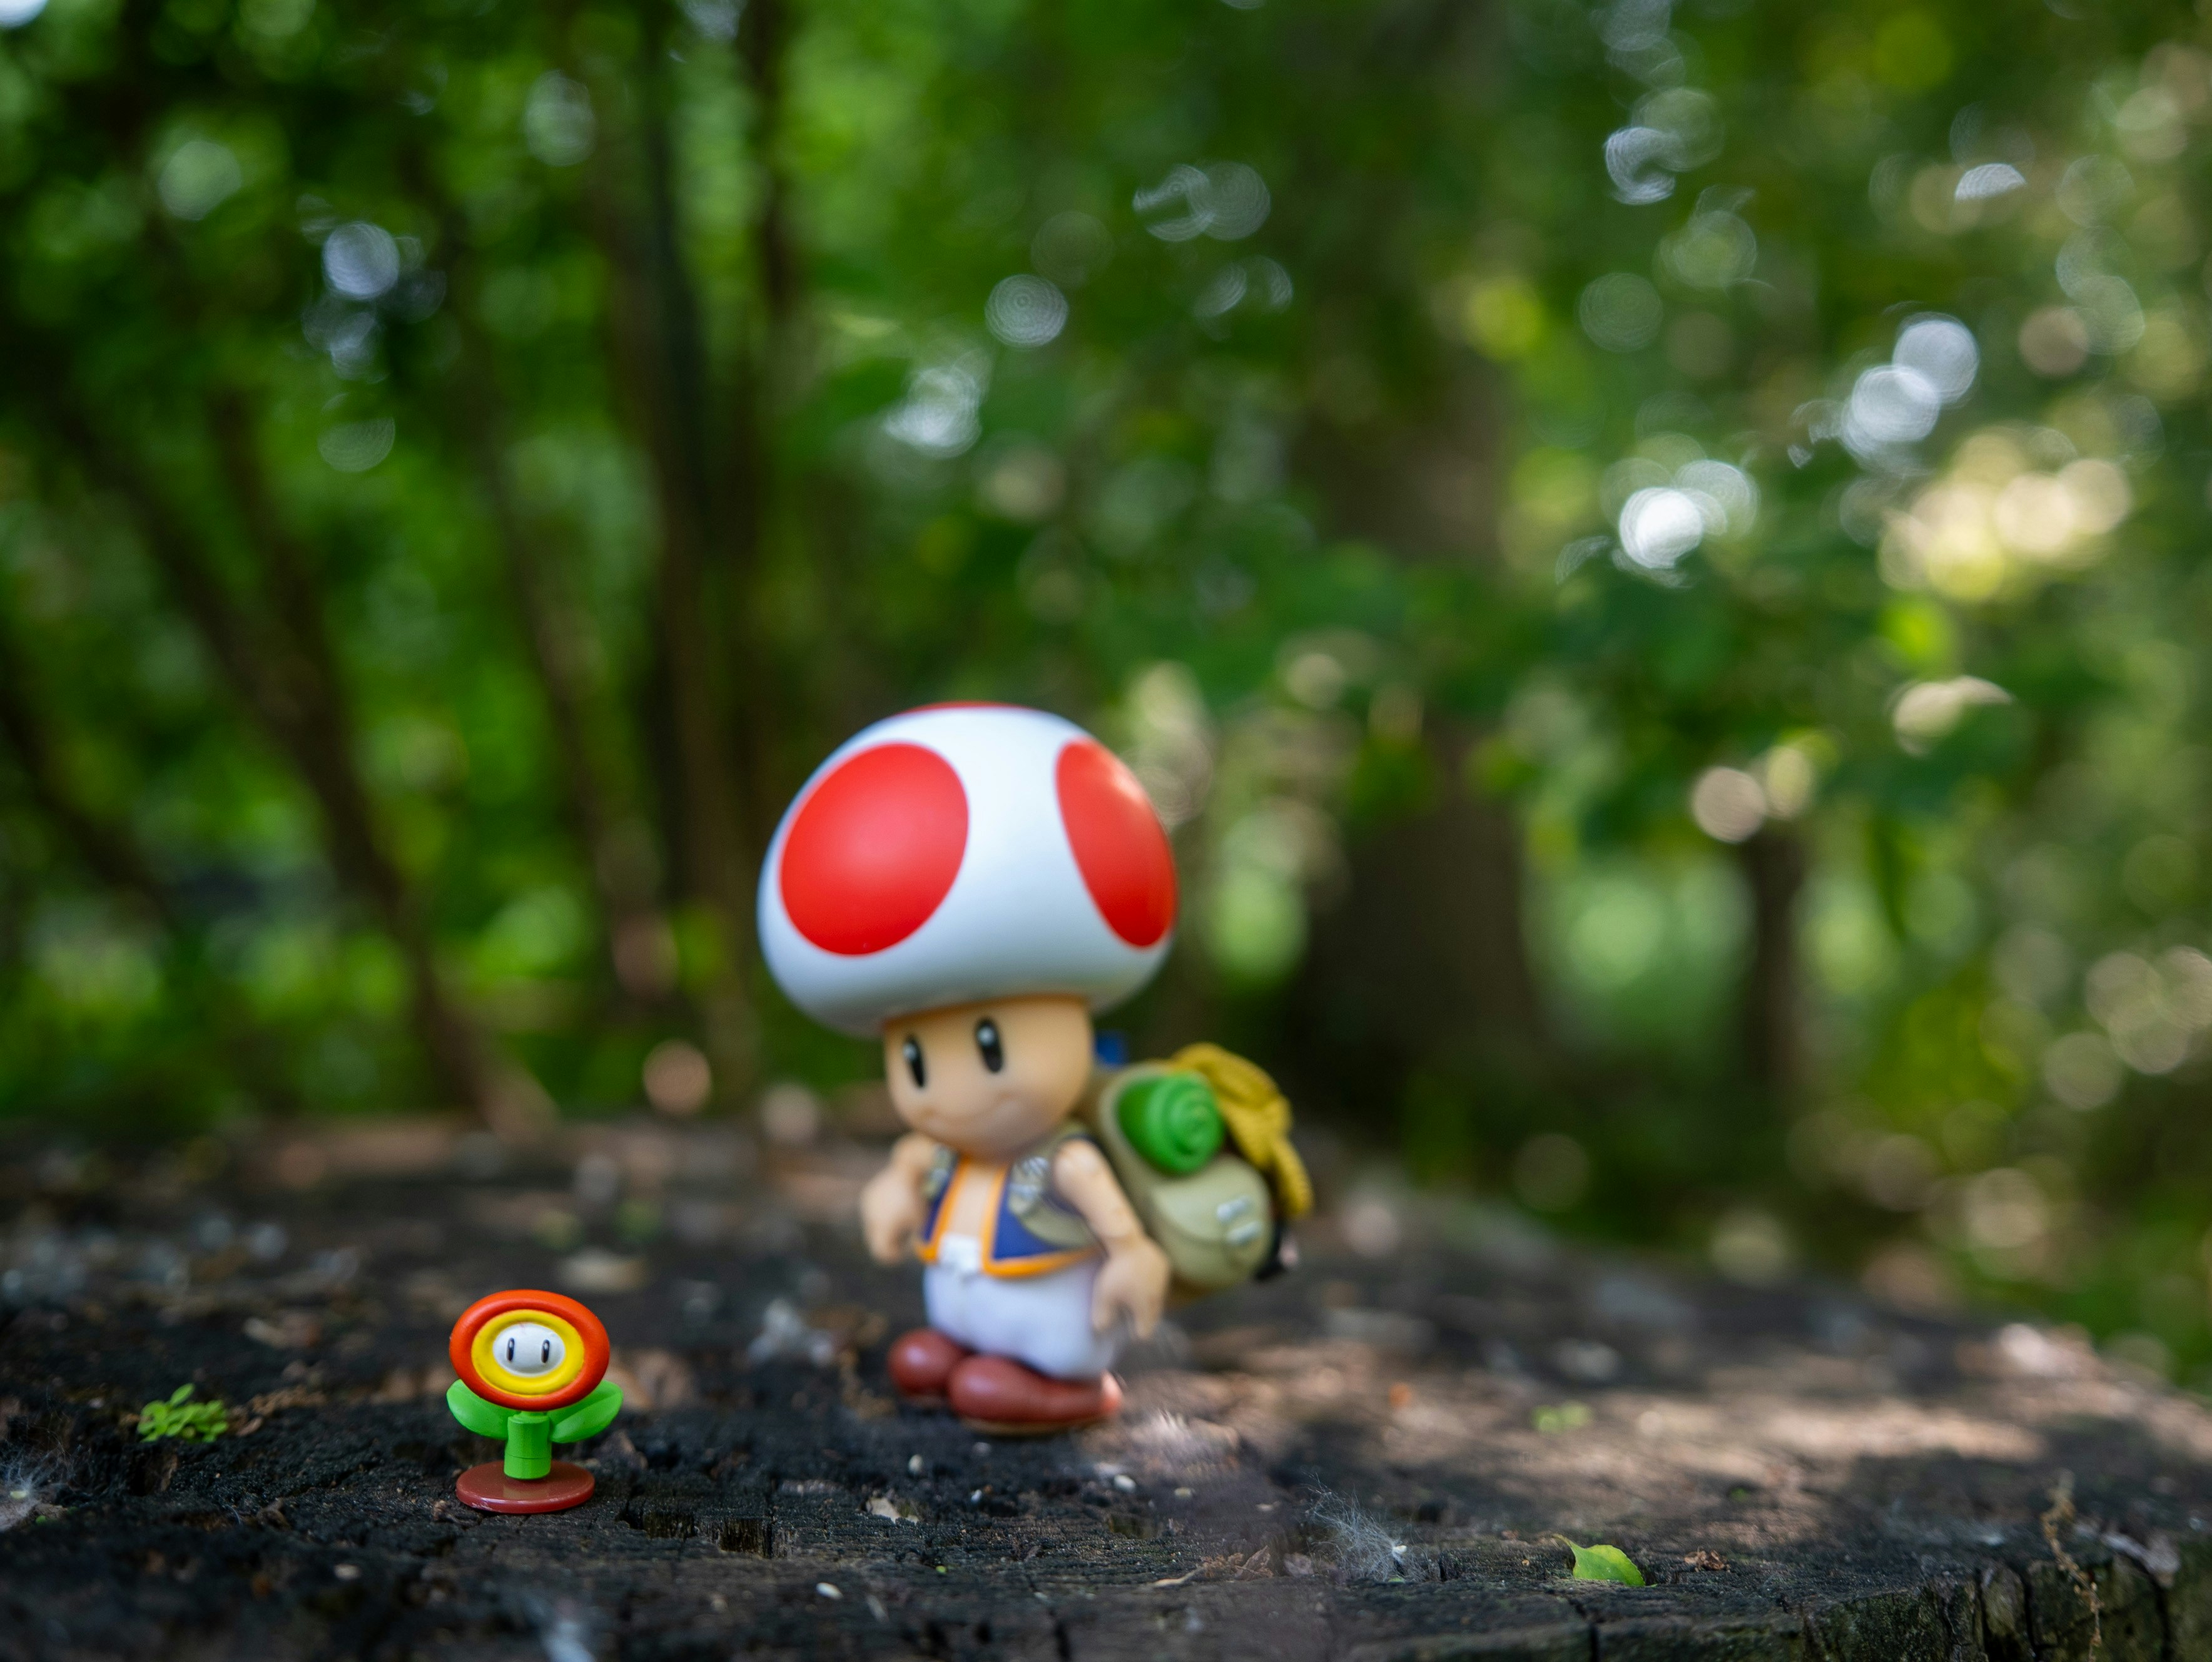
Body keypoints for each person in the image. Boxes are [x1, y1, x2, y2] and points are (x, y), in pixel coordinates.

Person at [758, 704, 1180, 1431]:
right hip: (961, 1289)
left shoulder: (1062, 1155)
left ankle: (1070, 1388)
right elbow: (910, 1160)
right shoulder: (940, 1148)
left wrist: (1131, 1252)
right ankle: (965, 1349)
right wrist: (894, 1186)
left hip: (1051, 1305)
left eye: (989, 1046)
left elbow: (1106, 1207)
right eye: (916, 1060)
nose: (952, 1092)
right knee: (931, 1354)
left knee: (1033, 1352)